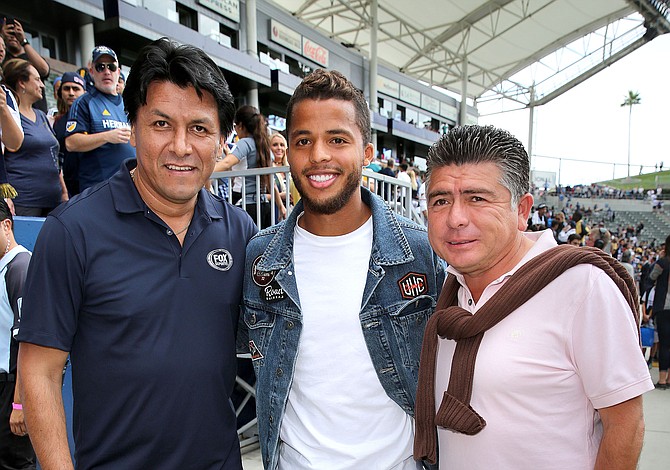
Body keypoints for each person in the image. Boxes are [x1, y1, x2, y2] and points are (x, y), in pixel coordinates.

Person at [17, 37, 256, 470]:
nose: (181, 146)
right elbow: (40, 372)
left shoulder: (240, 231)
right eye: (161, 124)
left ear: (222, 139)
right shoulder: (72, 231)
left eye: (199, 128)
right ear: (134, 125)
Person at [414, 125, 653, 469]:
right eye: (441, 201)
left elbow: (625, 426)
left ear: (522, 210)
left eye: (477, 198)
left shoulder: (582, 286)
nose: (455, 218)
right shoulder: (447, 291)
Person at [240, 69, 445, 469]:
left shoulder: (420, 253)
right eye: (303, 141)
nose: (318, 155)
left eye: (337, 139)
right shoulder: (260, 258)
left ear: (367, 153)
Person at [2, 59, 68, 216]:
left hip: (53, 201)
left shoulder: (42, 116)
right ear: (22, 83)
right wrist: (4, 196)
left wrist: (64, 192)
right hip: (24, 203)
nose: (43, 85)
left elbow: (54, 158)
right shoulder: (7, 114)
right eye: (37, 79)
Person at [65, 45, 134, 191]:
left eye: (111, 67)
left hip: (130, 188)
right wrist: (107, 136)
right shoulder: (84, 102)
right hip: (99, 189)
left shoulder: (130, 105)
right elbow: (71, 143)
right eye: (100, 67)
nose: (106, 71)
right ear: (91, 72)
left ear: (118, 72)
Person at [0, 200, 35, 469]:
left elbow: (28, 342)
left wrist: (20, 404)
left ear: (7, 225)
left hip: (12, 389)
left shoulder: (20, 267)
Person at [214, 105, 285, 228]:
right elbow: (270, 181)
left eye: (235, 126)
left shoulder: (245, 143)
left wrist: (202, 173)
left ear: (241, 125)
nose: (235, 130)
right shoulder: (263, 146)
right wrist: (280, 206)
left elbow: (227, 163)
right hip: (263, 205)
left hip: (244, 203)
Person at [1, 16, 49, 113]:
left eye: (16, 34)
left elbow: (44, 70)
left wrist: (23, 41)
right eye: (10, 33)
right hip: (12, 113)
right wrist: (1, 37)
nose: (13, 36)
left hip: (37, 112)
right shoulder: (3, 58)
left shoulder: (31, 57)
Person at [52, 72, 86, 196]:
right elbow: (57, 160)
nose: (71, 93)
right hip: (69, 185)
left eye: (76, 89)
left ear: (84, 92)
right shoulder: (58, 122)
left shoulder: (93, 118)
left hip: (93, 180)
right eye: (66, 88)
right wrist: (63, 190)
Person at [649, 236, 670, 389]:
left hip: (664, 307)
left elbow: (651, 277)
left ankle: (662, 379)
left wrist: (660, 258)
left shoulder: (663, 263)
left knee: (664, 344)